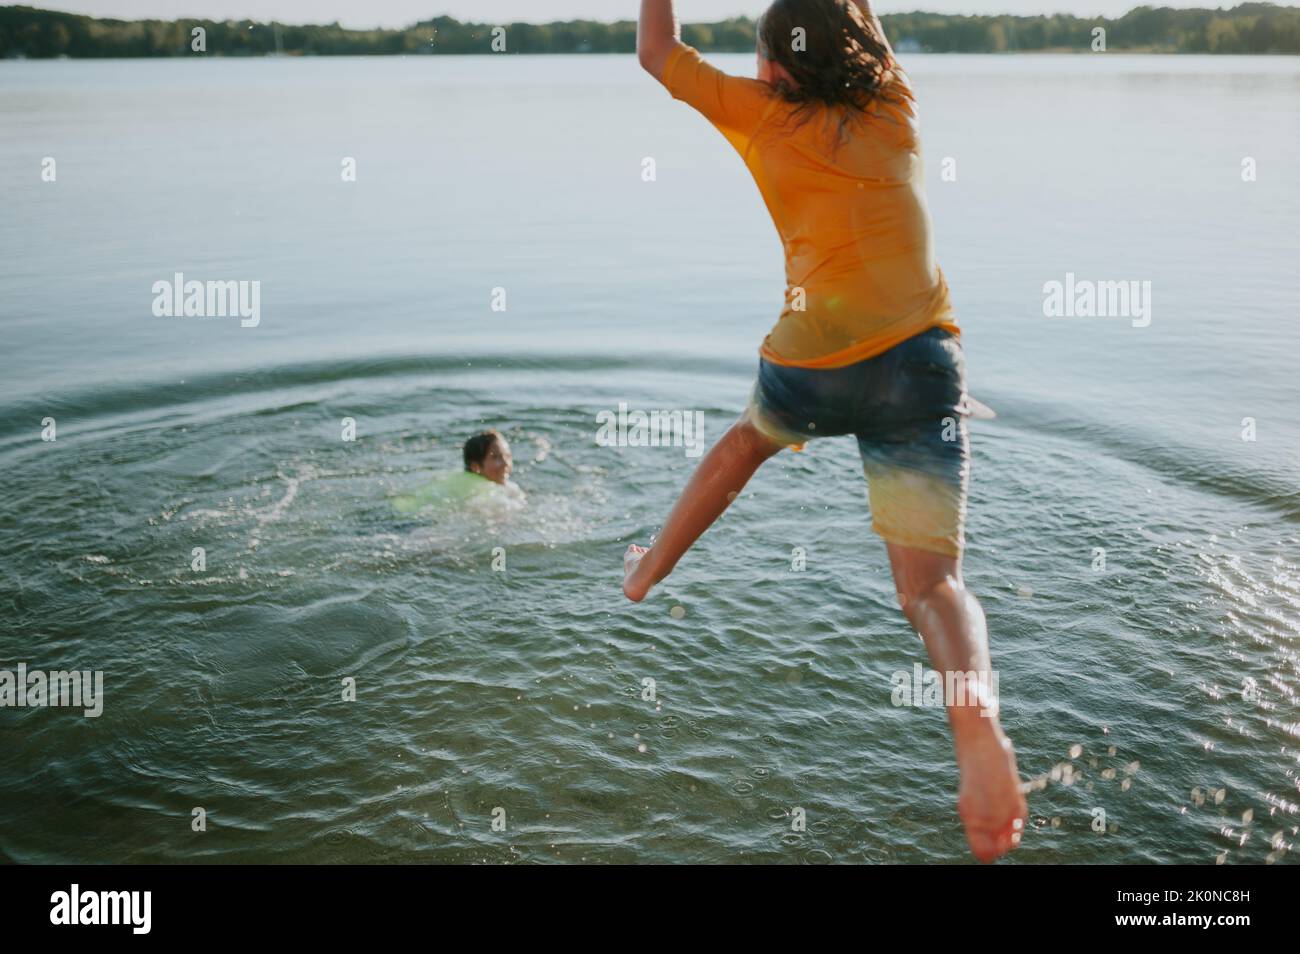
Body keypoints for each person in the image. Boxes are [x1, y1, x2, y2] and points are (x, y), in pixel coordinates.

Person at [627, 0, 1027, 862]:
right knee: (933, 592)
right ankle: (978, 727)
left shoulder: (759, 111)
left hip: (812, 361)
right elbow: (860, 24)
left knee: (742, 447)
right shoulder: (894, 102)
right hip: (921, 365)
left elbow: (657, 51)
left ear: (774, 67)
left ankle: (645, 572)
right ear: (856, 48)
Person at [392, 429, 522, 515]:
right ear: (475, 466)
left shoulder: (458, 478)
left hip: (400, 507)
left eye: (507, 455)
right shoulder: (483, 488)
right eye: (496, 457)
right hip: (415, 519)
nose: (506, 463)